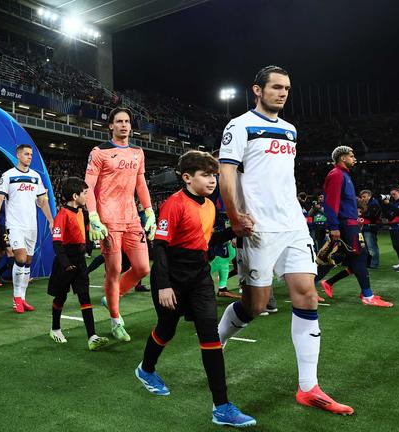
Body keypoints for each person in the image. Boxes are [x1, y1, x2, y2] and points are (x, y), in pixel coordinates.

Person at [216, 65, 353, 415]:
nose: (283, 93)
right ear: (257, 90)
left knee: (307, 296)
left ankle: (309, 387)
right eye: (276, 87)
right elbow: (226, 171)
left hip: (293, 224)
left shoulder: (291, 130)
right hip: (258, 227)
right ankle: (215, 342)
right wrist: (234, 217)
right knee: (255, 306)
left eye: (287, 89)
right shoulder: (239, 125)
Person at [135, 150, 255, 428]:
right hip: (171, 276)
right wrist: (164, 285)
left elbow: (206, 238)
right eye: (206, 175)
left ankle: (222, 407)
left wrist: (234, 232)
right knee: (167, 329)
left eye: (214, 175)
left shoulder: (211, 206)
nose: (213, 180)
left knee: (210, 334)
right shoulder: (173, 204)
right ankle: (146, 370)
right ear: (187, 177)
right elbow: (160, 247)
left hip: (199, 276)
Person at [83, 107, 156, 341]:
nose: (123, 125)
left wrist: (149, 210)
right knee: (113, 270)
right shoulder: (99, 152)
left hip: (132, 218)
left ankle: (113, 296)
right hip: (108, 220)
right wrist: (93, 216)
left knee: (143, 268)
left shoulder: (137, 152)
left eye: (127, 121)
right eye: (119, 121)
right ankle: (116, 320)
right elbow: (89, 187)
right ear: (111, 126)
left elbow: (141, 184)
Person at [319, 146, 392, 307]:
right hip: (345, 224)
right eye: (351, 156)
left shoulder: (343, 175)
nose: (354, 159)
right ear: (343, 158)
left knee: (347, 257)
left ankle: (320, 284)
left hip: (349, 223)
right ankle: (367, 295)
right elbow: (330, 203)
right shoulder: (337, 175)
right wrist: (333, 226)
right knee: (358, 257)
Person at [0, 144, 54, 313]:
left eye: (31, 154)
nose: (29, 157)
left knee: (28, 262)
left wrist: (51, 220)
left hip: (32, 225)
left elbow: (42, 202)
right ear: (18, 155)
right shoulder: (8, 176)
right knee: (21, 258)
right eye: (26, 154)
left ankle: (23, 298)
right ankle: (16, 297)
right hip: (14, 225)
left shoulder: (35, 176)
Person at [48, 177, 110, 351]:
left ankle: (92, 336)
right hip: (65, 262)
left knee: (84, 295)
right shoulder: (62, 214)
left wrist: (100, 234)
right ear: (75, 196)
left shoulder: (83, 213)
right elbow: (57, 242)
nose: (86, 196)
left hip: (80, 260)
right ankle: (55, 329)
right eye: (84, 193)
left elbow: (87, 231)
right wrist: (66, 263)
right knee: (61, 296)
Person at [359, 190, 382, 268]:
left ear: (369, 196)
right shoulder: (366, 203)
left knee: (371, 246)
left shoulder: (374, 204)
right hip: (364, 227)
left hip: (370, 227)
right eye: (362, 197)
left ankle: (374, 264)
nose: (362, 198)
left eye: (364, 197)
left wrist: (361, 213)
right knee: (365, 246)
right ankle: (369, 263)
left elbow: (372, 215)